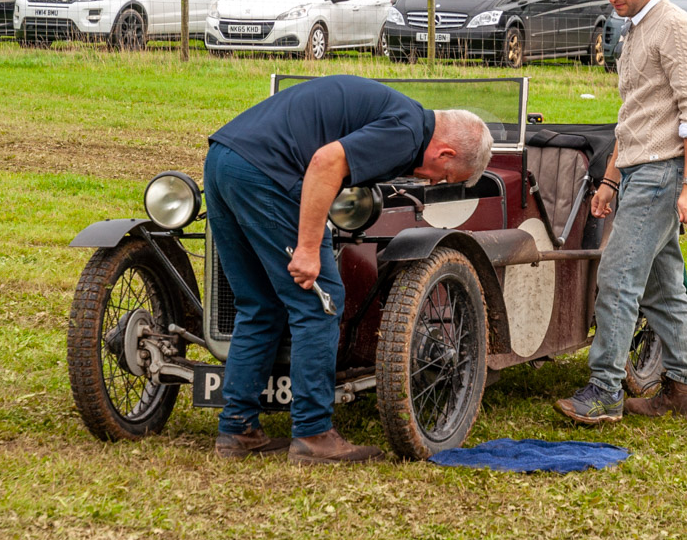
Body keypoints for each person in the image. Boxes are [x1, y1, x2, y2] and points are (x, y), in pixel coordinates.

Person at [204, 75, 494, 464]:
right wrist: (307, 248)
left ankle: (237, 429)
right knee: (319, 304)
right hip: (267, 173)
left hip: (223, 159)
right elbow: (325, 163)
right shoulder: (407, 132)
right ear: (444, 154)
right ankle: (313, 434)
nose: (433, 180)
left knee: (258, 303)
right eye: (444, 176)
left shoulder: (398, 113)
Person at [555, 0, 687, 425]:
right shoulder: (636, 27)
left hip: (662, 176)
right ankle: (684, 392)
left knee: (618, 279)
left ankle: (604, 392)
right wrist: (609, 180)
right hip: (642, 173)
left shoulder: (677, 30)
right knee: (662, 287)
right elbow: (634, 115)